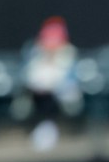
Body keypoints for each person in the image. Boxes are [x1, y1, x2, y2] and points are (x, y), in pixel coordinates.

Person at [19, 16, 82, 150]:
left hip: (60, 97)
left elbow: (69, 82)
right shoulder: (35, 55)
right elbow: (29, 77)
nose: (51, 47)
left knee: (51, 99)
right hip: (37, 96)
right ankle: (43, 130)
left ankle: (47, 131)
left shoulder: (68, 54)